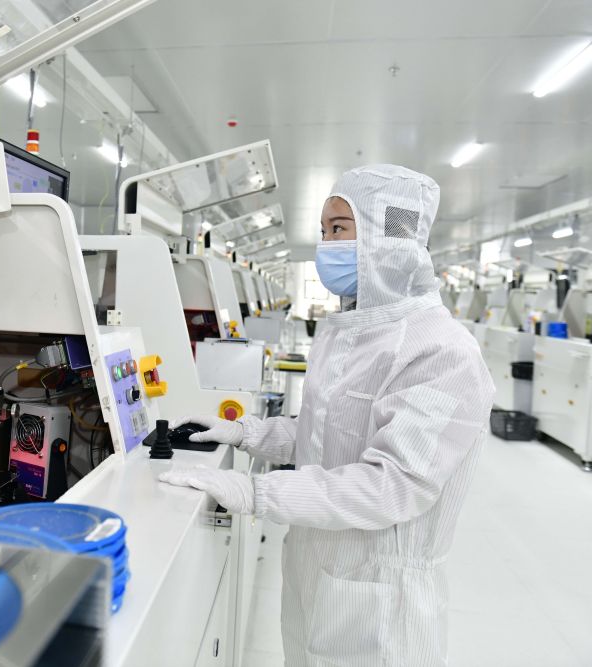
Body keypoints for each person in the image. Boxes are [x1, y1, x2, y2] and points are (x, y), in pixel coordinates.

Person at [160, 164, 494, 666]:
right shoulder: (353, 331)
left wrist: (256, 492)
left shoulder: (443, 351)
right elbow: (324, 432)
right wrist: (245, 433)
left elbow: (392, 485)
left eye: (339, 228)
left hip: (380, 602)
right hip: (314, 568)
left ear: (389, 237)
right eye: (323, 230)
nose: (326, 245)